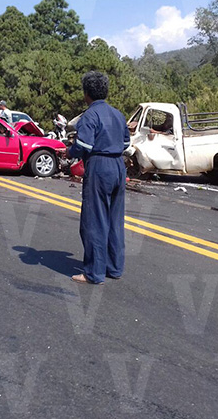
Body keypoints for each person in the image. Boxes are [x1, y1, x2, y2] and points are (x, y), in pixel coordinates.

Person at [67, 71, 130, 285]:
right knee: (115, 219)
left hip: (99, 166)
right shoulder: (118, 114)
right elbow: (126, 143)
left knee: (94, 220)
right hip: (118, 166)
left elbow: (83, 146)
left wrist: (68, 151)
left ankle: (94, 272)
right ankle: (114, 267)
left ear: (86, 93)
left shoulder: (90, 115)